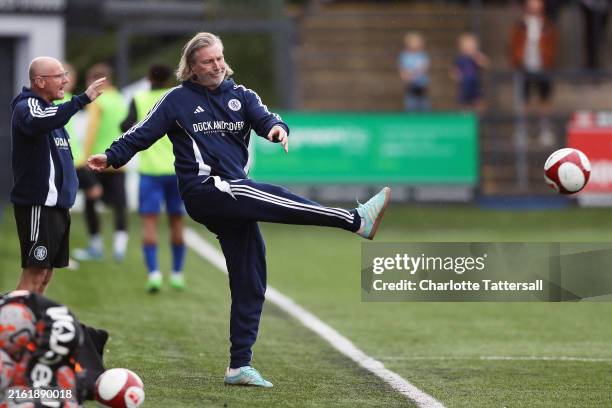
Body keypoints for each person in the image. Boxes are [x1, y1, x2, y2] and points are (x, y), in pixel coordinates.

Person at [87, 32, 391, 387]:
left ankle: (239, 366)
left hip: (233, 196)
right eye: (207, 62)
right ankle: (354, 220)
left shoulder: (242, 95)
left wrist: (278, 130)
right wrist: (110, 156)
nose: (216, 66)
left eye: (219, 58)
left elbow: (267, 119)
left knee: (251, 280)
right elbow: (141, 134)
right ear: (192, 68)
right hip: (207, 191)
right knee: (275, 196)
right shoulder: (176, 100)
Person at [10, 56, 105, 294]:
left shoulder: (53, 111)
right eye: (60, 76)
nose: (66, 80)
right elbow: (38, 122)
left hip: (57, 206)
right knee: (34, 273)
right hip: (38, 204)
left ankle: (30, 328)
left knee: (45, 274)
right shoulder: (27, 106)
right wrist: (82, 100)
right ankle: (9, 326)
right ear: (40, 81)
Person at [120, 64, 187, 292]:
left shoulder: (139, 99)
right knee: (177, 221)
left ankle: (154, 274)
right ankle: (177, 274)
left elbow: (125, 126)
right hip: (177, 171)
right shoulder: (176, 98)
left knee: (149, 223)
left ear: (148, 77)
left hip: (150, 172)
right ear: (169, 79)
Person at [74, 64, 129, 262]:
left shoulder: (97, 101)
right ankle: (119, 248)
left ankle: (95, 247)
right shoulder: (121, 99)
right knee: (120, 206)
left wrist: (86, 156)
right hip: (119, 160)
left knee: (91, 202)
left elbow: (91, 130)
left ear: (94, 80)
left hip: (98, 159)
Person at [56, 64, 104, 256]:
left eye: (70, 76)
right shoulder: (55, 101)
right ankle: (58, 246)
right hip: (65, 161)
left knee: (93, 193)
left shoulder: (71, 99)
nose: (67, 79)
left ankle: (95, 244)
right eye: (64, 75)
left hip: (78, 160)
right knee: (61, 204)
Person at [509, 0, 559, 146]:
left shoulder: (547, 25)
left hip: (543, 67)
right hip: (524, 67)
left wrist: (548, 61)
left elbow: (553, 44)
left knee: (544, 99)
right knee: (524, 100)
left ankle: (545, 129)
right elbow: (513, 45)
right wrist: (517, 61)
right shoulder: (520, 25)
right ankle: (522, 130)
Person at [452, 33, 489, 113]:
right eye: (467, 46)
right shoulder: (460, 59)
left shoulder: (477, 56)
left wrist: (477, 57)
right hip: (464, 85)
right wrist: (457, 75)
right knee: (464, 103)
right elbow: (455, 70)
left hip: (476, 84)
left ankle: (479, 119)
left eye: (472, 46)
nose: (469, 48)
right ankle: (465, 117)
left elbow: (485, 64)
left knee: (479, 102)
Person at [398, 32, 430, 112]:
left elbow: (424, 66)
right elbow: (402, 68)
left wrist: (414, 73)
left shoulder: (422, 55)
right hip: (410, 84)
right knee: (410, 102)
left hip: (421, 83)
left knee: (423, 103)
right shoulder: (404, 55)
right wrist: (405, 75)